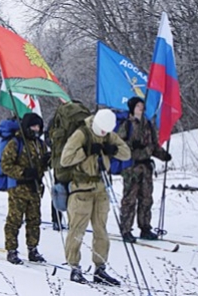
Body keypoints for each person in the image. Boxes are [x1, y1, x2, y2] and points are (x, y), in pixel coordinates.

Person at [60, 108, 131, 285]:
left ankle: (100, 269)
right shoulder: (81, 134)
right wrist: (86, 150)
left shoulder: (108, 134)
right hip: (81, 189)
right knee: (77, 230)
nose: (103, 134)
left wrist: (112, 149)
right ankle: (74, 267)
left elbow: (126, 153)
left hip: (100, 187)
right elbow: (65, 159)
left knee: (101, 230)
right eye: (101, 131)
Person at [118, 97, 172, 243]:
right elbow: (119, 145)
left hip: (146, 168)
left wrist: (163, 155)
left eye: (142, 105)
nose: (141, 108)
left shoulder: (148, 125)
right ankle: (126, 229)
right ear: (132, 108)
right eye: (138, 106)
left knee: (146, 199)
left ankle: (145, 228)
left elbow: (154, 145)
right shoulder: (127, 125)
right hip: (132, 168)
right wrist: (132, 146)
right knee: (129, 199)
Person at [1, 113, 50, 264]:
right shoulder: (16, 143)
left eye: (38, 127)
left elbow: (41, 166)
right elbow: (6, 165)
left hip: (35, 188)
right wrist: (23, 173)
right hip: (19, 188)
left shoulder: (40, 144)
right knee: (14, 220)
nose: (36, 129)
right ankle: (11, 250)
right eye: (33, 126)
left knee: (34, 220)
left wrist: (46, 162)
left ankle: (33, 249)